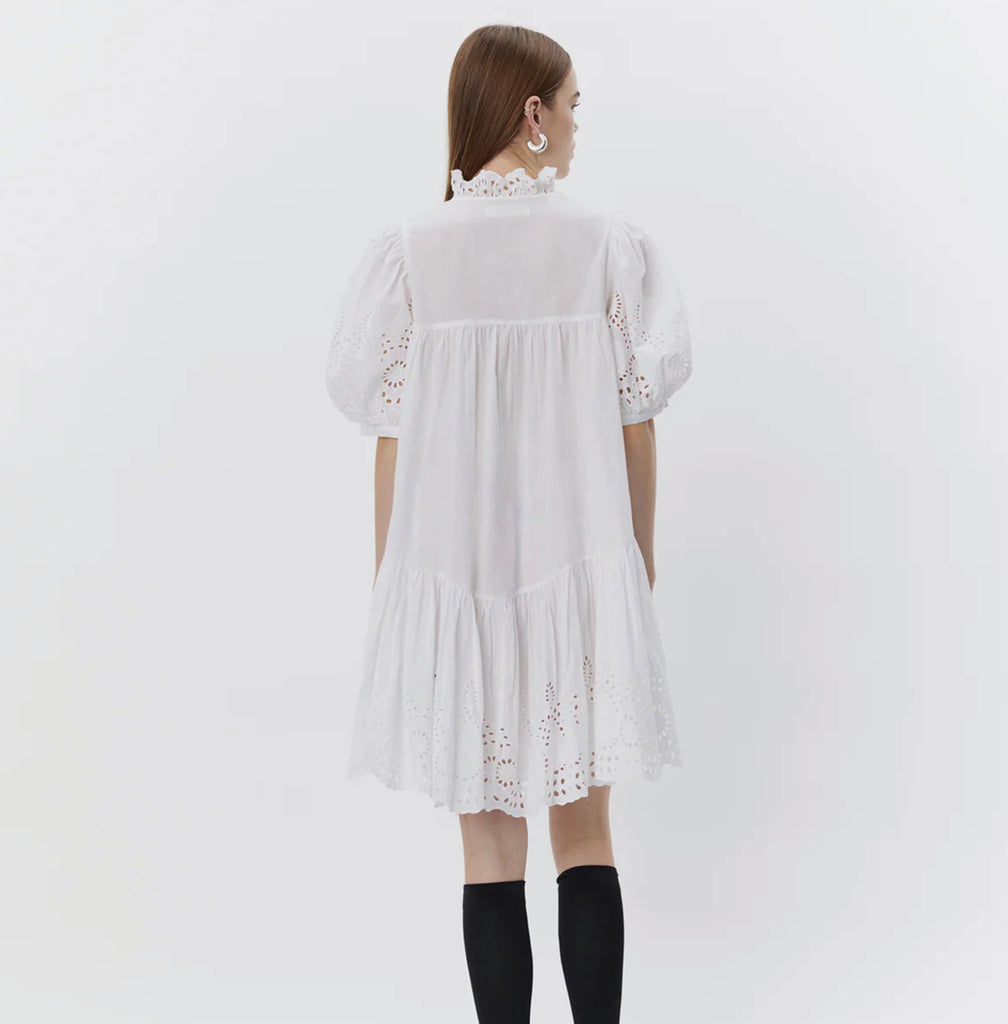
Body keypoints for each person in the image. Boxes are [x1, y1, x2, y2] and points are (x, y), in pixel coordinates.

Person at [325, 23, 692, 1024]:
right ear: (532, 113)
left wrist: (393, 589)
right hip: (580, 568)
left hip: (457, 578)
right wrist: (636, 562)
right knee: (586, 836)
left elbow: (390, 438)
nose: (575, 128)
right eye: (571, 107)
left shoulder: (411, 253)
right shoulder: (603, 247)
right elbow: (636, 425)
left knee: (488, 849)